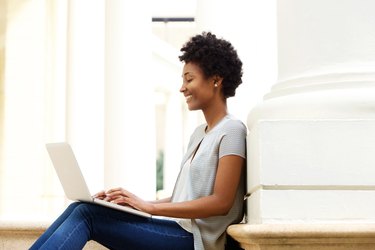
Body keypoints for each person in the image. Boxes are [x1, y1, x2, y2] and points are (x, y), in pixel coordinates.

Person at [30, 31, 247, 250]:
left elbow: (221, 202)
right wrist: (133, 204)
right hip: (177, 229)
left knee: (88, 215)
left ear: (216, 80)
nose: (182, 87)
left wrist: (150, 209)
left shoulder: (232, 130)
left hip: (196, 240)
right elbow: (181, 197)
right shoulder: (200, 134)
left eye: (189, 79)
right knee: (79, 207)